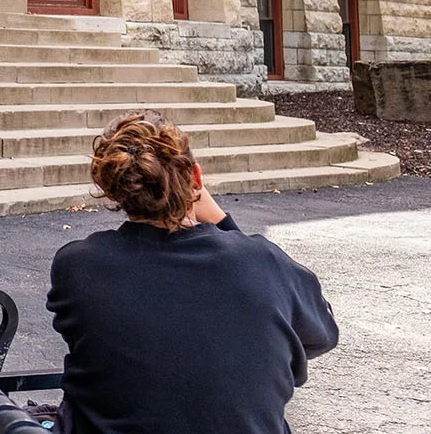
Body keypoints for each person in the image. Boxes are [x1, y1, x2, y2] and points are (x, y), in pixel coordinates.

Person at [43, 111, 338, 434]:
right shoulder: (263, 262)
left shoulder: (78, 266)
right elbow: (321, 335)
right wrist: (223, 222)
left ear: (115, 191)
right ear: (196, 179)